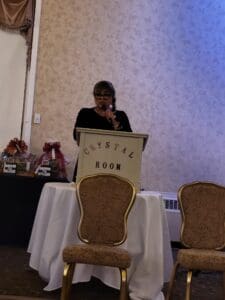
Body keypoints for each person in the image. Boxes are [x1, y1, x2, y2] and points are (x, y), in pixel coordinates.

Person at [72, 80, 132, 180]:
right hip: (88, 159)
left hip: (114, 162)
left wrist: (114, 121)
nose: (101, 99)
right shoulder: (85, 113)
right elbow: (76, 135)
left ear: (112, 98)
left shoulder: (121, 116)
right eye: (98, 96)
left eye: (106, 96)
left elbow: (129, 140)